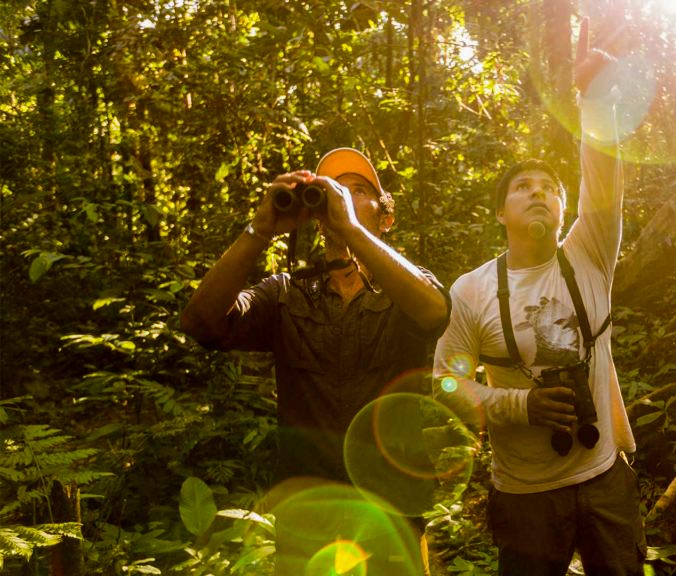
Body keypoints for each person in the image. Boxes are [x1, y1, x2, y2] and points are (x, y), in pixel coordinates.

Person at [432, 19, 645, 576]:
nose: (538, 193)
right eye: (522, 187)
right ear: (500, 213)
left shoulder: (589, 254)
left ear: (562, 210)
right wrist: (520, 405)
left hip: (604, 478)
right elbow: (445, 383)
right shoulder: (471, 290)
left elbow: (603, 182)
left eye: (550, 188)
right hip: (524, 494)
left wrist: (595, 100)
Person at [180, 147, 449, 575]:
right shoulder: (286, 293)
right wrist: (260, 228)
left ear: (386, 217)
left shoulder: (404, 290)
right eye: (335, 189)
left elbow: (434, 311)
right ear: (317, 214)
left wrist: (355, 231)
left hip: (391, 512)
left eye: (359, 190)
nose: (344, 195)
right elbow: (201, 324)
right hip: (307, 514)